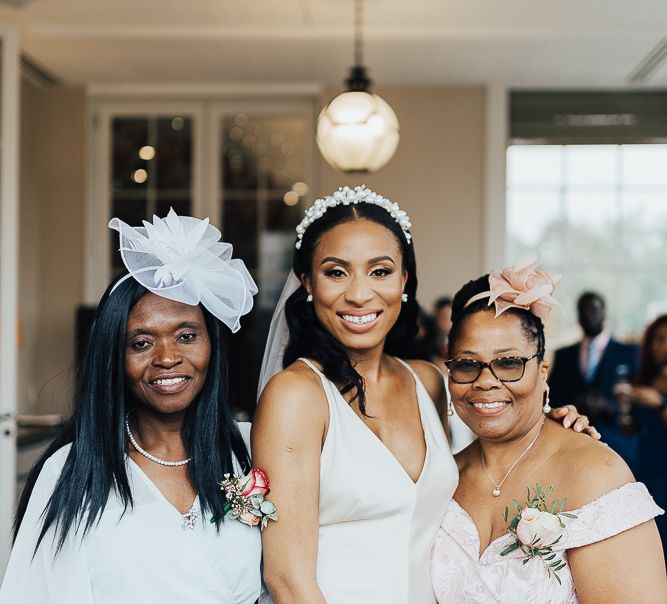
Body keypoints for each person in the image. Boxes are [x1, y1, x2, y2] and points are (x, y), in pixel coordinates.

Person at [252, 186, 597, 604]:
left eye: (379, 271)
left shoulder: (428, 381)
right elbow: (287, 579)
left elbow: (490, 447)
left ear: (405, 279)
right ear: (307, 281)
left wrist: (551, 425)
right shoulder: (296, 395)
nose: (359, 294)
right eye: (336, 272)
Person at [0, 210, 263, 603]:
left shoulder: (254, 451)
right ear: (114, 358)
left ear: (213, 345)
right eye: (141, 343)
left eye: (187, 336)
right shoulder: (72, 472)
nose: (167, 357)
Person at [431, 256, 666, 603]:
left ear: (543, 373)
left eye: (508, 362)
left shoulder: (596, 475)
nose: (485, 381)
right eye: (467, 364)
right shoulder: (441, 477)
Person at [548, 291, 640, 470]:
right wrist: (575, 404)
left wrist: (610, 407)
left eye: (593, 310)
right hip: (573, 447)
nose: (588, 315)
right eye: (582, 310)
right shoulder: (563, 355)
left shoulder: (629, 353)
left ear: (604, 313)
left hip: (619, 446)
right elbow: (551, 398)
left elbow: (638, 400)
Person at [614, 314, 667, 560]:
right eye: (657, 339)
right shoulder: (646, 376)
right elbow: (634, 428)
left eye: (665, 339)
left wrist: (659, 403)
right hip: (645, 464)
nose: (660, 345)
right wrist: (627, 415)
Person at [433, 295, 453, 360]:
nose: (446, 321)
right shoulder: (431, 338)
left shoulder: (460, 337)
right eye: (443, 317)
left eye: (449, 317)